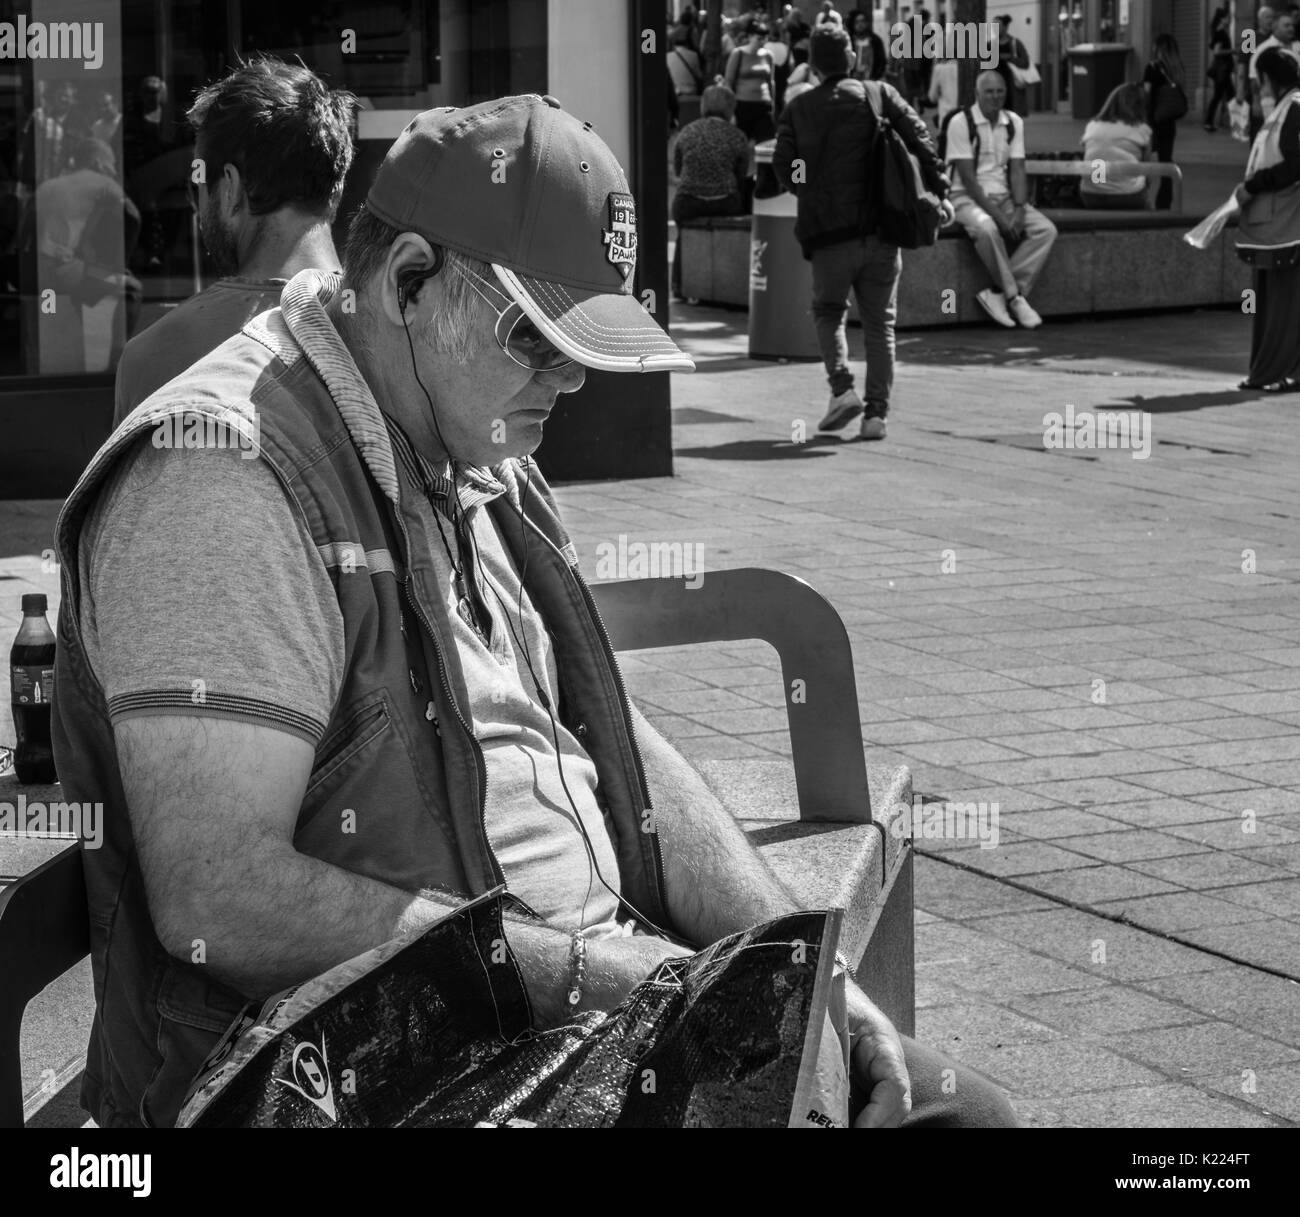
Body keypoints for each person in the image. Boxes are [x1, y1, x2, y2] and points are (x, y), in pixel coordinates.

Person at [53, 92, 1018, 1131]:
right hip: (373, 1079)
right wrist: (593, 974)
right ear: (408, 279)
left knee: (956, 1111)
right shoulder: (227, 473)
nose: (567, 382)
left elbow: (613, 740)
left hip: (568, 1025)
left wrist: (806, 970)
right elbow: (219, 894)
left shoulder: (468, 440)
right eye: (536, 339)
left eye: (585, 350)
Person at [111, 57, 355, 424]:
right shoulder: (390, 328)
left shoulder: (153, 356)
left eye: (201, 189)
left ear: (230, 190)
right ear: (334, 192)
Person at [774, 25, 952, 442]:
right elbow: (922, 140)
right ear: (852, 58)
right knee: (879, 324)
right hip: (881, 231)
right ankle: (876, 415)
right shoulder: (879, 95)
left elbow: (785, 166)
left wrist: (809, 186)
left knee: (828, 312)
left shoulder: (798, 109)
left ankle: (841, 388)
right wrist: (940, 192)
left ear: (812, 66)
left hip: (828, 236)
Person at [946, 71, 1058, 329]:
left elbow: (1018, 168)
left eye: (1000, 91)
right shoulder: (960, 123)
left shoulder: (1013, 122)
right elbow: (969, 181)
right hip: (965, 197)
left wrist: (1019, 209)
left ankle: (998, 292)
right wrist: (999, 217)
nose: (995, 97)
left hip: (1004, 195)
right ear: (977, 94)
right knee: (987, 229)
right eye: (989, 92)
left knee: (1045, 230)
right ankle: (1015, 298)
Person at [1234, 47, 1300, 392]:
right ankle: (1283, 370)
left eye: (1261, 80)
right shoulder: (1287, 108)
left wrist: (1253, 185)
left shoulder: (1293, 108)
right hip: (1279, 224)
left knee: (1279, 301)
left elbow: (1294, 164)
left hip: (1284, 226)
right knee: (1279, 299)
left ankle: (1274, 370)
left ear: (1269, 79)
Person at [671, 82, 752, 299]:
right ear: (730, 108)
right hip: (725, 201)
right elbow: (741, 175)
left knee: (682, 235)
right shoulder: (737, 136)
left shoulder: (687, 132)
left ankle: (679, 285)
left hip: (687, 201)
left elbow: (679, 171)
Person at [1079, 83, 1153, 210]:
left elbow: (1091, 155)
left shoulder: (1092, 126)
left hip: (1091, 194)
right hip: (1129, 195)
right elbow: (1147, 170)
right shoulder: (1142, 129)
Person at [1143, 34, 1187, 211]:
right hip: (1168, 122)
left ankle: (1139, 197)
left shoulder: (1152, 67)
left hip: (1151, 121)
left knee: (1143, 161)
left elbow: (1146, 94)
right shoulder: (1177, 68)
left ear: (1159, 48)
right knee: (1166, 161)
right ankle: (1164, 202)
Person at [724, 18, 777, 141]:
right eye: (759, 38)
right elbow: (729, 81)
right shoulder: (738, 54)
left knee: (766, 142)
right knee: (741, 142)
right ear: (750, 36)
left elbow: (771, 82)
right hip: (742, 105)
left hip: (763, 104)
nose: (763, 41)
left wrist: (773, 104)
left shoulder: (768, 55)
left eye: (765, 38)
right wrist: (731, 110)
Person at [1204, 8, 1235, 132]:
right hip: (1223, 70)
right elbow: (1217, 51)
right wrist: (1232, 51)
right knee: (1229, 96)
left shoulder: (1218, 32)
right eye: (1228, 17)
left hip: (1223, 70)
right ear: (1222, 19)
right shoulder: (1220, 33)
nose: (1229, 20)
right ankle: (1236, 123)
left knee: (1221, 96)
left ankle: (1210, 122)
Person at [994, 15, 1032, 115]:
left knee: (1011, 114)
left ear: (1006, 27)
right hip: (995, 84)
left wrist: (1010, 58)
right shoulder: (990, 44)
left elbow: (1025, 62)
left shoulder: (1015, 43)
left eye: (998, 26)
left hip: (1012, 86)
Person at [846, 9, 887, 82]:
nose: (860, 24)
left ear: (867, 23)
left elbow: (881, 61)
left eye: (862, 21)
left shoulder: (875, 41)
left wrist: (876, 77)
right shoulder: (849, 41)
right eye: (857, 22)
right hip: (852, 81)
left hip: (872, 80)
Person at [928, 52, 960, 130]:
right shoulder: (967, 69)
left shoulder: (939, 69)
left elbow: (932, 96)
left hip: (945, 115)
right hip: (962, 116)